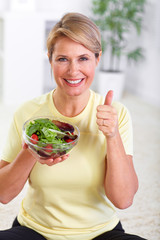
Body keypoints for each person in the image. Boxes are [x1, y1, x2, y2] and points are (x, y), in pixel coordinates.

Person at [0, 12, 147, 240]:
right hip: (35, 231)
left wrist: (112, 136)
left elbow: (124, 199)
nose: (73, 70)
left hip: (100, 233)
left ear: (98, 59)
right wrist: (32, 150)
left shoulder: (116, 115)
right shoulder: (28, 114)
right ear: (50, 59)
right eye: (62, 59)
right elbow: (4, 194)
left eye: (83, 58)